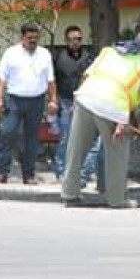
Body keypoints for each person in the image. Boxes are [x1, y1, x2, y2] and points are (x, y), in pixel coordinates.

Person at [61, 31, 140, 209]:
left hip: (85, 98)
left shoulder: (108, 52)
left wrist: (134, 122)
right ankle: (117, 200)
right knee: (117, 154)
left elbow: (88, 77)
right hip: (111, 108)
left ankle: (70, 194)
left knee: (76, 150)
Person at [0, 22, 58, 185]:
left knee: (32, 139)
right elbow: (0, 78)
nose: (33, 41)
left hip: (36, 100)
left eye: (36, 37)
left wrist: (53, 100)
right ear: (22, 37)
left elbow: (50, 80)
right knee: (8, 134)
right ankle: (1, 172)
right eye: (30, 38)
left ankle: (29, 175)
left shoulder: (45, 54)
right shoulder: (10, 53)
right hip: (15, 100)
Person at [52, 25, 102, 183]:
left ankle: (83, 174)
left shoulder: (90, 58)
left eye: (79, 39)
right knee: (65, 139)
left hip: (86, 103)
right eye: (72, 39)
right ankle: (61, 172)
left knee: (90, 141)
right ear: (66, 41)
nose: (75, 42)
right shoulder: (58, 58)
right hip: (66, 102)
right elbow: (53, 81)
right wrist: (54, 101)